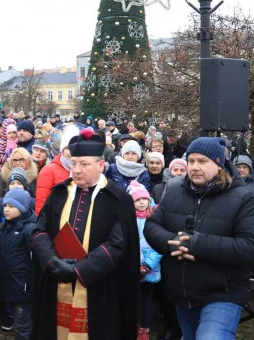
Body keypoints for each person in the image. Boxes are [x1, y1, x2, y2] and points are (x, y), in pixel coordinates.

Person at [144, 137, 254, 340]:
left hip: (224, 292)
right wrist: (171, 242)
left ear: (219, 164)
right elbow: (152, 226)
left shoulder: (244, 198)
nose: (194, 167)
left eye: (202, 161)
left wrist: (198, 244)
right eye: (191, 161)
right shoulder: (174, 189)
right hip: (183, 292)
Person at [31, 129, 140, 339]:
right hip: (56, 280)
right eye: (74, 163)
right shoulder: (59, 193)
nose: (77, 170)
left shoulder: (118, 199)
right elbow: (38, 231)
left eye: (84, 164)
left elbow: (118, 245)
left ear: (101, 165)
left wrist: (80, 270)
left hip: (100, 286)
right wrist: (52, 261)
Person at [0, 188, 37, 340]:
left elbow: (35, 260)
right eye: (5, 205)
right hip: (9, 282)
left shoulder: (30, 229)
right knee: (19, 320)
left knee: (23, 324)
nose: (6, 209)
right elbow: (1, 254)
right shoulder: (4, 227)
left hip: (23, 285)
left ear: (23, 208)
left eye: (12, 206)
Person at [128, 180, 162, 340]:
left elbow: (159, 245)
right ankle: (131, 325)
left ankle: (145, 327)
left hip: (150, 267)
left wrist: (147, 264)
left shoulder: (155, 217)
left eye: (144, 199)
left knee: (147, 299)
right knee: (132, 299)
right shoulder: (127, 219)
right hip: (131, 268)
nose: (141, 202)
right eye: (137, 200)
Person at [35, 125, 78, 214]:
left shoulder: (81, 169)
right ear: (62, 150)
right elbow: (41, 202)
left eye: (75, 148)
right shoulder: (49, 170)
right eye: (68, 148)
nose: (72, 152)